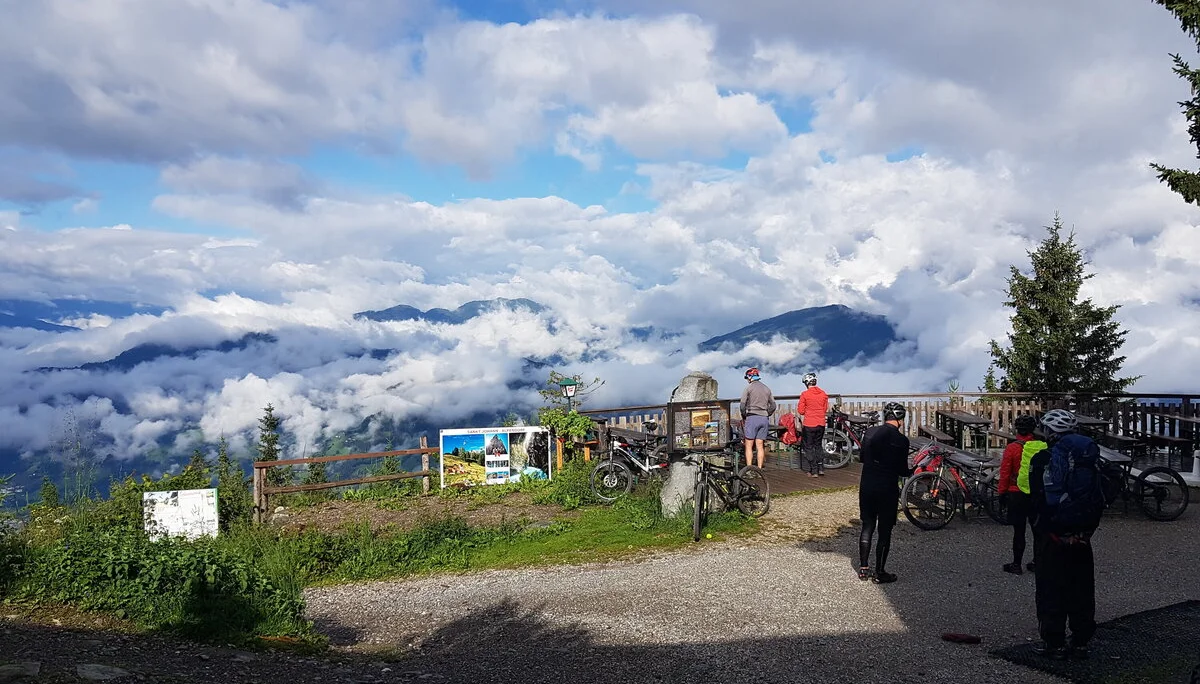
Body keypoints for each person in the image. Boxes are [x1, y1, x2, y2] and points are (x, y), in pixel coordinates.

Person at [1027, 409, 1104, 661]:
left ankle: (1054, 642)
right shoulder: (1089, 458)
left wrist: (1042, 526)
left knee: (1051, 587)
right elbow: (1102, 494)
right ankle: (1081, 641)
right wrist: (1087, 529)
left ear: (1050, 433)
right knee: (1081, 588)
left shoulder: (1041, 459)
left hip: (1052, 535)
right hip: (1083, 535)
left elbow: (1036, 497)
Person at [856, 401, 911, 583]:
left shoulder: (870, 433)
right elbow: (903, 470)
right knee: (885, 530)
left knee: (867, 526)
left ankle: (863, 568)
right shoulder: (902, 440)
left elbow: (862, 457)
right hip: (887, 488)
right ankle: (880, 572)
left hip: (867, 485)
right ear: (900, 419)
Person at [997, 414, 1039, 574]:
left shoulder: (1012, 448)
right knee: (1037, 530)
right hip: (1035, 493)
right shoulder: (1040, 446)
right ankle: (1037, 562)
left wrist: (1001, 493)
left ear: (1017, 429)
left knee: (1019, 531)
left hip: (1016, 493)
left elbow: (1005, 473)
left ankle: (1016, 564)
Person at [739, 367, 776, 470]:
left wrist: (744, 415)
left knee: (749, 445)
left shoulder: (748, 388)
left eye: (747, 378)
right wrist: (766, 413)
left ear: (750, 377)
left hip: (752, 417)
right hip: (764, 418)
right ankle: (759, 469)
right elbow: (773, 405)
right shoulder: (767, 388)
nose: (747, 380)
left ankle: (749, 468)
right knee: (760, 445)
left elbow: (742, 405)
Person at [796, 372, 830, 478]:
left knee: (808, 447)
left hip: (809, 423)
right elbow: (825, 409)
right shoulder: (823, 394)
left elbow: (801, 411)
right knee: (818, 445)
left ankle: (813, 470)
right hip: (821, 423)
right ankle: (821, 468)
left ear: (807, 383)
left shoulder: (804, 394)